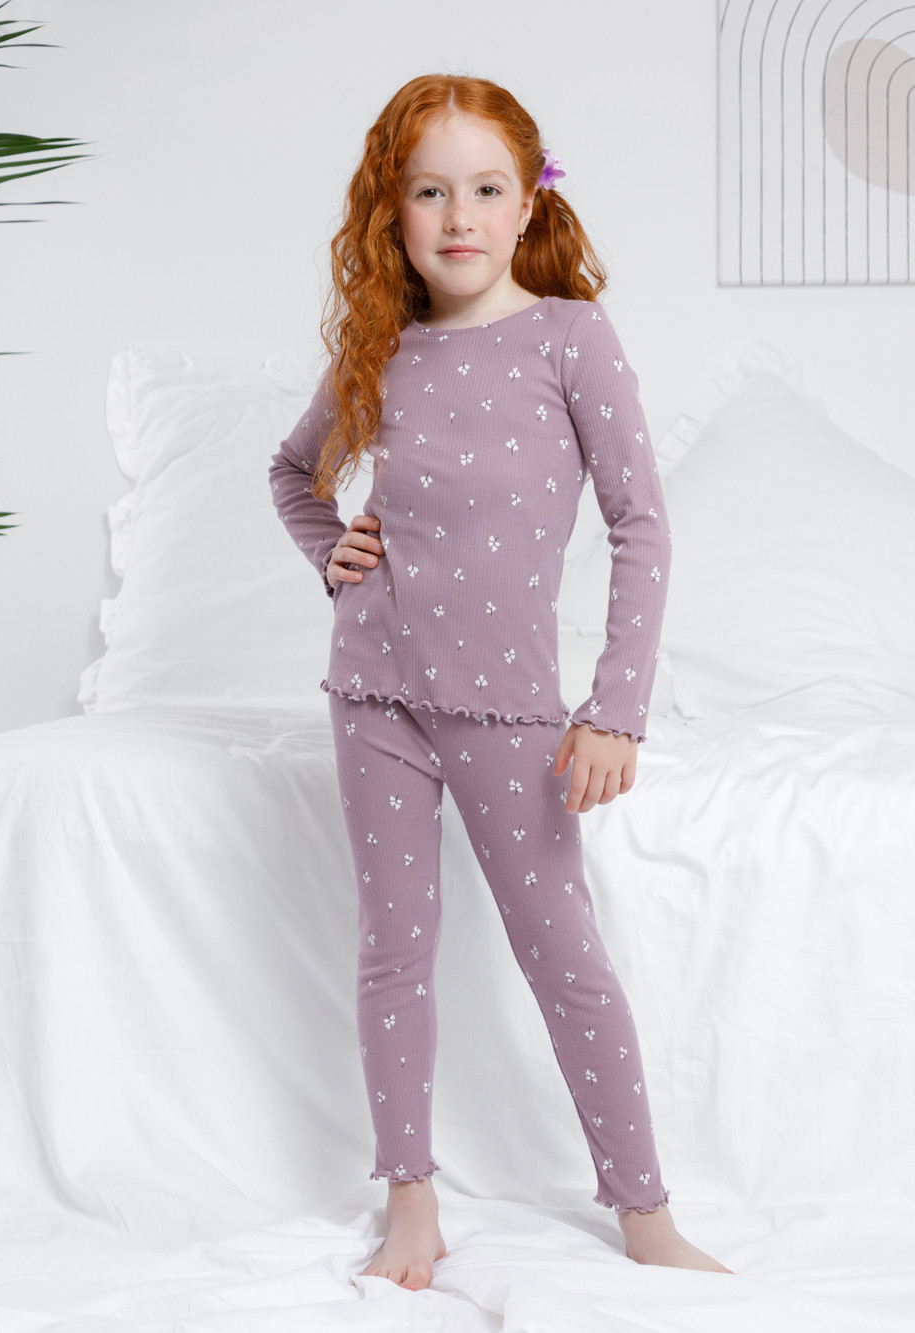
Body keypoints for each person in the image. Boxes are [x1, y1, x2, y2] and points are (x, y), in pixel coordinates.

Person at [268, 73, 734, 1290]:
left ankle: (644, 1212)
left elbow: (641, 525)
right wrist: (332, 553)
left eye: (484, 189)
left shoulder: (572, 339)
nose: (458, 216)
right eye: (430, 192)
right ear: (393, 210)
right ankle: (410, 1204)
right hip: (373, 694)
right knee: (393, 951)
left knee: (563, 957)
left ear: (528, 203)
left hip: (509, 709)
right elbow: (291, 474)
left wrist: (613, 710)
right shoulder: (380, 347)